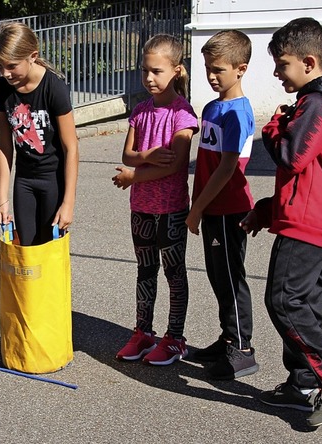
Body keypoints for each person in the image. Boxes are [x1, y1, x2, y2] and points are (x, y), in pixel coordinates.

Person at [240, 17, 322, 427]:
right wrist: (267, 208)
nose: (277, 73)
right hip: (303, 218)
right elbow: (305, 176)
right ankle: (303, 384)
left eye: (282, 64)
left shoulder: (318, 105)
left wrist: (274, 126)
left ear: (309, 62)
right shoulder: (314, 104)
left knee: (284, 301)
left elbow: (292, 156)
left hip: (308, 225)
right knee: (305, 303)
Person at [112, 34, 198, 365]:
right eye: (145, 70)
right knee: (144, 270)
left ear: (176, 71)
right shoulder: (140, 110)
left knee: (174, 274)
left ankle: (174, 338)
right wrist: (146, 155)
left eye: (157, 72)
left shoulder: (183, 113)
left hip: (172, 209)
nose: (149, 78)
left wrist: (134, 175)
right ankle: (143, 333)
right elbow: (128, 154)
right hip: (142, 208)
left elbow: (176, 163)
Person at [186, 30, 259, 380]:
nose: (212, 76)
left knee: (231, 279)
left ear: (241, 69)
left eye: (219, 70)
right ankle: (229, 337)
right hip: (211, 207)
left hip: (228, 209)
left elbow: (228, 168)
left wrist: (197, 207)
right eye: (207, 69)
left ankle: (242, 350)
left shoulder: (237, 113)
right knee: (218, 277)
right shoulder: (212, 107)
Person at [0, 22, 79, 246]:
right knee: (27, 251)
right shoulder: (2, 89)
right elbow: (4, 145)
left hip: (53, 181)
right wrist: (3, 200)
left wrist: (68, 203)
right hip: (24, 180)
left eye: (11, 65)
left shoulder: (54, 87)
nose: (5, 73)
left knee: (49, 250)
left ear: (32, 56)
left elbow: (71, 147)